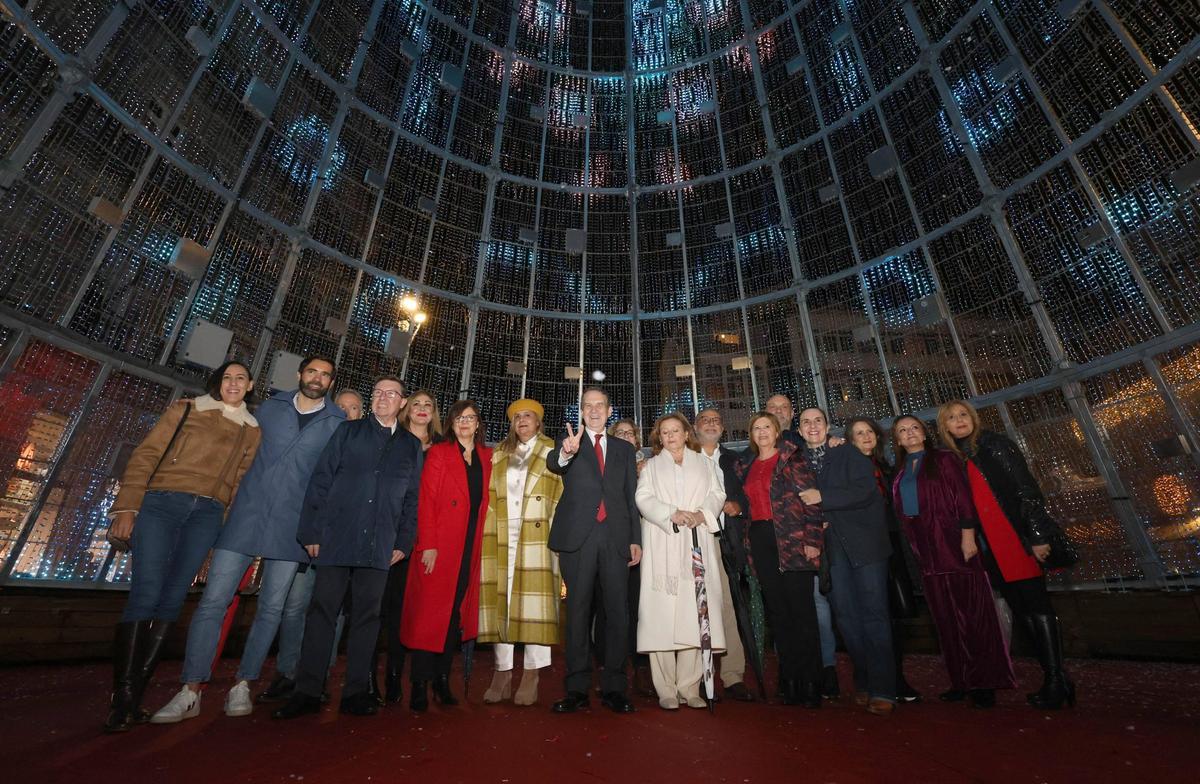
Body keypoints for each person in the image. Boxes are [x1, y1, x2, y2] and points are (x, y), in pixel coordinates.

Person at [150, 356, 345, 723]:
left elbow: (331, 483)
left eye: (325, 375)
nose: (317, 378)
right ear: (299, 375)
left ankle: (244, 683)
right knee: (213, 601)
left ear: (331, 382)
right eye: (312, 371)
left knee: (271, 608)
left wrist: (318, 530)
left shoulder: (338, 423)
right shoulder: (268, 409)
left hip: (293, 528)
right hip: (245, 517)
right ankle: (191, 688)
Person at [103, 361, 261, 732]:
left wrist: (214, 543)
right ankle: (121, 699)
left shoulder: (252, 431)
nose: (233, 383)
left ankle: (135, 696)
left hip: (207, 514)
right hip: (162, 503)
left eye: (240, 378)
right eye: (227, 377)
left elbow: (237, 486)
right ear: (217, 382)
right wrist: (126, 507)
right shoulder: (187, 408)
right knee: (145, 593)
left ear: (250, 385)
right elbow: (145, 454)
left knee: (173, 599)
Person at [273, 376, 422, 719]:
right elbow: (320, 481)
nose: (383, 398)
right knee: (321, 614)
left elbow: (412, 499)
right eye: (378, 392)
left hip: (381, 544)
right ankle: (307, 691)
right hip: (336, 538)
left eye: (391, 394)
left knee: (368, 619)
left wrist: (403, 541)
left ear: (402, 404)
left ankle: (356, 692)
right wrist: (311, 531)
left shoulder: (411, 446)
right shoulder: (347, 432)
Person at [938, 400, 1075, 709]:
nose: (959, 421)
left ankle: (1055, 679)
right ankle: (1058, 679)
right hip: (990, 548)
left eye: (963, 415)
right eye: (952, 418)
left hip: (1016, 540)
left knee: (1038, 607)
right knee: (1022, 610)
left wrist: (1037, 536)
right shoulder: (955, 458)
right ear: (944, 427)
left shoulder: (995, 444)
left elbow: (1027, 489)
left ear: (973, 418)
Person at [891, 415, 1015, 708]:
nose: (909, 433)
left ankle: (984, 681)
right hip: (926, 552)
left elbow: (962, 498)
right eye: (902, 431)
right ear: (896, 439)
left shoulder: (944, 459)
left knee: (973, 612)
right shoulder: (900, 471)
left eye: (914, 428)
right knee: (945, 618)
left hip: (954, 543)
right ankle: (960, 680)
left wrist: (968, 536)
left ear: (924, 433)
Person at [259, 389, 365, 705]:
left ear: (362, 413)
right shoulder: (317, 443)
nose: (347, 413)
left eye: (354, 408)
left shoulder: (365, 446)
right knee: (294, 607)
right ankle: (288, 672)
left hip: (343, 545)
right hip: (310, 542)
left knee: (334, 613)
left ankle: (318, 674)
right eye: (341, 407)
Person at [548, 387, 642, 715]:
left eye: (599, 405)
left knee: (617, 613)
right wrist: (565, 453)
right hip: (578, 539)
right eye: (587, 406)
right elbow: (555, 464)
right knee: (576, 614)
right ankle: (576, 688)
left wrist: (635, 539)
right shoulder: (569, 444)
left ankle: (615, 687)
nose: (593, 410)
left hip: (615, 538)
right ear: (581, 411)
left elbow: (630, 497)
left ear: (609, 410)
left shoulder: (624, 449)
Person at [797, 408, 895, 716]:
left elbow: (866, 491)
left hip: (866, 546)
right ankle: (864, 679)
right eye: (806, 422)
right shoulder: (798, 461)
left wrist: (822, 497)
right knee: (847, 618)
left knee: (875, 615)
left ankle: (884, 688)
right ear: (799, 431)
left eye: (818, 421)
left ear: (827, 426)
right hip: (832, 550)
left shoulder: (848, 452)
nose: (812, 426)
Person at [401, 399, 492, 710]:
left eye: (470, 418)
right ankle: (419, 684)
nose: (465, 423)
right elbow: (426, 501)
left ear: (478, 424)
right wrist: (428, 544)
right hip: (440, 547)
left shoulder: (486, 457)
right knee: (430, 615)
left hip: (470, 546)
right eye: (459, 418)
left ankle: (441, 680)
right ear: (451, 423)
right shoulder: (439, 454)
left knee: (454, 615)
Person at [635, 413, 726, 710]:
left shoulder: (704, 463)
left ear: (687, 434)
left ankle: (691, 686)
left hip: (696, 540)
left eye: (676, 430)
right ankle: (666, 689)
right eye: (665, 432)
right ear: (658, 438)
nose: (671, 436)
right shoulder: (651, 467)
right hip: (664, 541)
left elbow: (717, 493)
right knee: (660, 616)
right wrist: (670, 513)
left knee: (695, 613)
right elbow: (643, 498)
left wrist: (703, 514)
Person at [478, 399, 563, 706]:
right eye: (516, 417)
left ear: (539, 422)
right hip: (500, 534)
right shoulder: (499, 453)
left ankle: (532, 673)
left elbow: (564, 496)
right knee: (503, 601)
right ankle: (501, 671)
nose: (522, 420)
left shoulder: (557, 450)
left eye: (528, 416)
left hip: (539, 535)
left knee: (534, 604)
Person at [738, 412, 824, 708]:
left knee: (802, 614)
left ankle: (811, 682)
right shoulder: (745, 465)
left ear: (778, 432)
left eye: (767, 427)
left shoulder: (793, 459)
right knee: (779, 615)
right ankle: (789, 680)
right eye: (756, 428)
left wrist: (812, 541)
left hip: (792, 539)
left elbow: (812, 503)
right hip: (761, 540)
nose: (761, 432)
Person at [764, 393, 837, 698]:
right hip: (777, 542)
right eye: (773, 409)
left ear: (791, 413)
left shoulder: (803, 446)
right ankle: (791, 671)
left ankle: (825, 669)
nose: (779, 412)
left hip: (809, 537)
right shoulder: (760, 449)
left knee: (817, 607)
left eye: (784, 408)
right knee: (783, 610)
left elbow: (816, 488)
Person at [844, 416, 922, 703]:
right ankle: (879, 679)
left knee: (894, 614)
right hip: (865, 549)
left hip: (893, 546)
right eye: (859, 433)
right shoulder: (848, 469)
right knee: (872, 614)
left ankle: (895, 677)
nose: (865, 437)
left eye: (869, 432)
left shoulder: (888, 469)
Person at [374, 389, 442, 704]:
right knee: (387, 610)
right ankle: (385, 678)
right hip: (392, 536)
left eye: (429, 404)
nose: (422, 409)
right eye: (416, 403)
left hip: (428, 541)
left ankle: (419, 681)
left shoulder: (443, 448)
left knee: (420, 611)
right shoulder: (393, 440)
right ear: (405, 408)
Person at [694, 408, 755, 702]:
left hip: (725, 541)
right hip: (693, 541)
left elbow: (749, 494)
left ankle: (732, 675)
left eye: (716, 420)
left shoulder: (735, 460)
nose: (711, 424)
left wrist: (738, 505)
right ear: (695, 427)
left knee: (729, 606)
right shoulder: (684, 457)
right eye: (705, 420)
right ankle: (695, 677)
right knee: (694, 609)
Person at [591, 418, 649, 696]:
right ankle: (605, 660)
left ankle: (639, 663)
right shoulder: (605, 461)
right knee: (608, 603)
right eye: (620, 433)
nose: (626, 436)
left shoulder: (651, 464)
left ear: (637, 440)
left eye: (631, 433)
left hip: (643, 540)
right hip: (610, 540)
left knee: (638, 604)